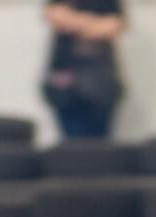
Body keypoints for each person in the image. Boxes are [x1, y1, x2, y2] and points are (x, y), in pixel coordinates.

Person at [42, 0, 125, 139]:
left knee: (101, 142)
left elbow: (113, 26)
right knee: (71, 141)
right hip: (65, 78)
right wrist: (93, 23)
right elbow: (54, 16)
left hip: (101, 80)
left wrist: (73, 20)